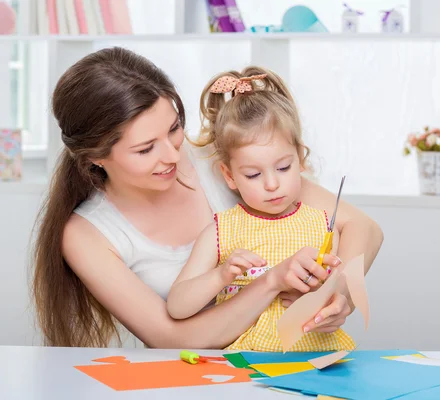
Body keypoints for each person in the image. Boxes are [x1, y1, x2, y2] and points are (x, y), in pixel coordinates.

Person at [31, 47, 384, 348]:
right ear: (95, 157)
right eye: (145, 149)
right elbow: (170, 338)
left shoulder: (228, 162)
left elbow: (363, 228)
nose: (171, 155)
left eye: (173, 129)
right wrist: (271, 283)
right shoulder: (87, 235)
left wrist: (340, 294)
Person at [167, 68, 355, 352]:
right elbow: (177, 306)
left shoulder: (323, 226)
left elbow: (334, 293)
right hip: (247, 364)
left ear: (300, 160)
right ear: (229, 176)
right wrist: (221, 276)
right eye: (253, 175)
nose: (271, 184)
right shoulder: (222, 230)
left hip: (317, 359)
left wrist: (329, 301)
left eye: (283, 167)